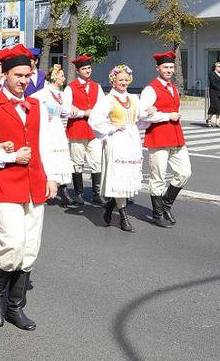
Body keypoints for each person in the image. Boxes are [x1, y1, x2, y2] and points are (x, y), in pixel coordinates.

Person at [0, 44, 57, 332]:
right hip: (6, 182)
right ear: (3, 73)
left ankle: (15, 306)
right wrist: (8, 155)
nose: (23, 81)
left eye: (27, 75)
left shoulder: (36, 105)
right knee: (13, 242)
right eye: (17, 75)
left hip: (35, 182)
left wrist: (53, 176)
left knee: (31, 247)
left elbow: (46, 143)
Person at [139, 51, 192, 228]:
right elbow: (142, 115)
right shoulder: (150, 89)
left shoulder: (173, 87)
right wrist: (167, 116)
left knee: (184, 172)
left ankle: (166, 205)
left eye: (171, 67)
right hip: (158, 137)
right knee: (158, 177)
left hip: (176, 136)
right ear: (158, 68)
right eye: (165, 67)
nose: (169, 70)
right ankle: (157, 213)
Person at [89, 65, 144, 232]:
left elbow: (140, 117)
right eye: (120, 79)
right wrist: (112, 127)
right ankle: (123, 218)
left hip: (132, 140)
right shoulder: (108, 100)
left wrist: (151, 111)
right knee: (119, 177)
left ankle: (110, 206)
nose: (124, 82)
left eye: (127, 80)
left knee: (127, 178)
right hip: (117, 140)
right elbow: (95, 120)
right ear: (113, 80)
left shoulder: (134, 98)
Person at [63, 55, 105, 206]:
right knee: (77, 162)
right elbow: (65, 110)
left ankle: (96, 193)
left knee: (96, 162)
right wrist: (83, 113)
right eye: (84, 69)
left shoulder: (96, 86)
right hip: (77, 129)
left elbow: (102, 107)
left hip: (93, 131)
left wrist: (91, 113)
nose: (87, 71)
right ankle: (79, 193)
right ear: (77, 71)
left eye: (89, 68)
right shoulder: (70, 87)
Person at [31, 64, 74, 207]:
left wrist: (77, 111)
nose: (64, 78)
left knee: (61, 157)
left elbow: (65, 111)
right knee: (50, 155)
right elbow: (31, 102)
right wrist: (42, 115)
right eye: (61, 75)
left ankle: (63, 190)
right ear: (55, 77)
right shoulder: (44, 92)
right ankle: (49, 186)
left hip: (57, 126)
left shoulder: (60, 94)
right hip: (48, 127)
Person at [207, 61, 220, 127]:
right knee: (214, 106)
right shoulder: (212, 74)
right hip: (214, 92)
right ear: (215, 67)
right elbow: (213, 83)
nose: (219, 68)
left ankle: (218, 122)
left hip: (219, 93)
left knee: (219, 107)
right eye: (218, 66)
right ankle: (209, 119)